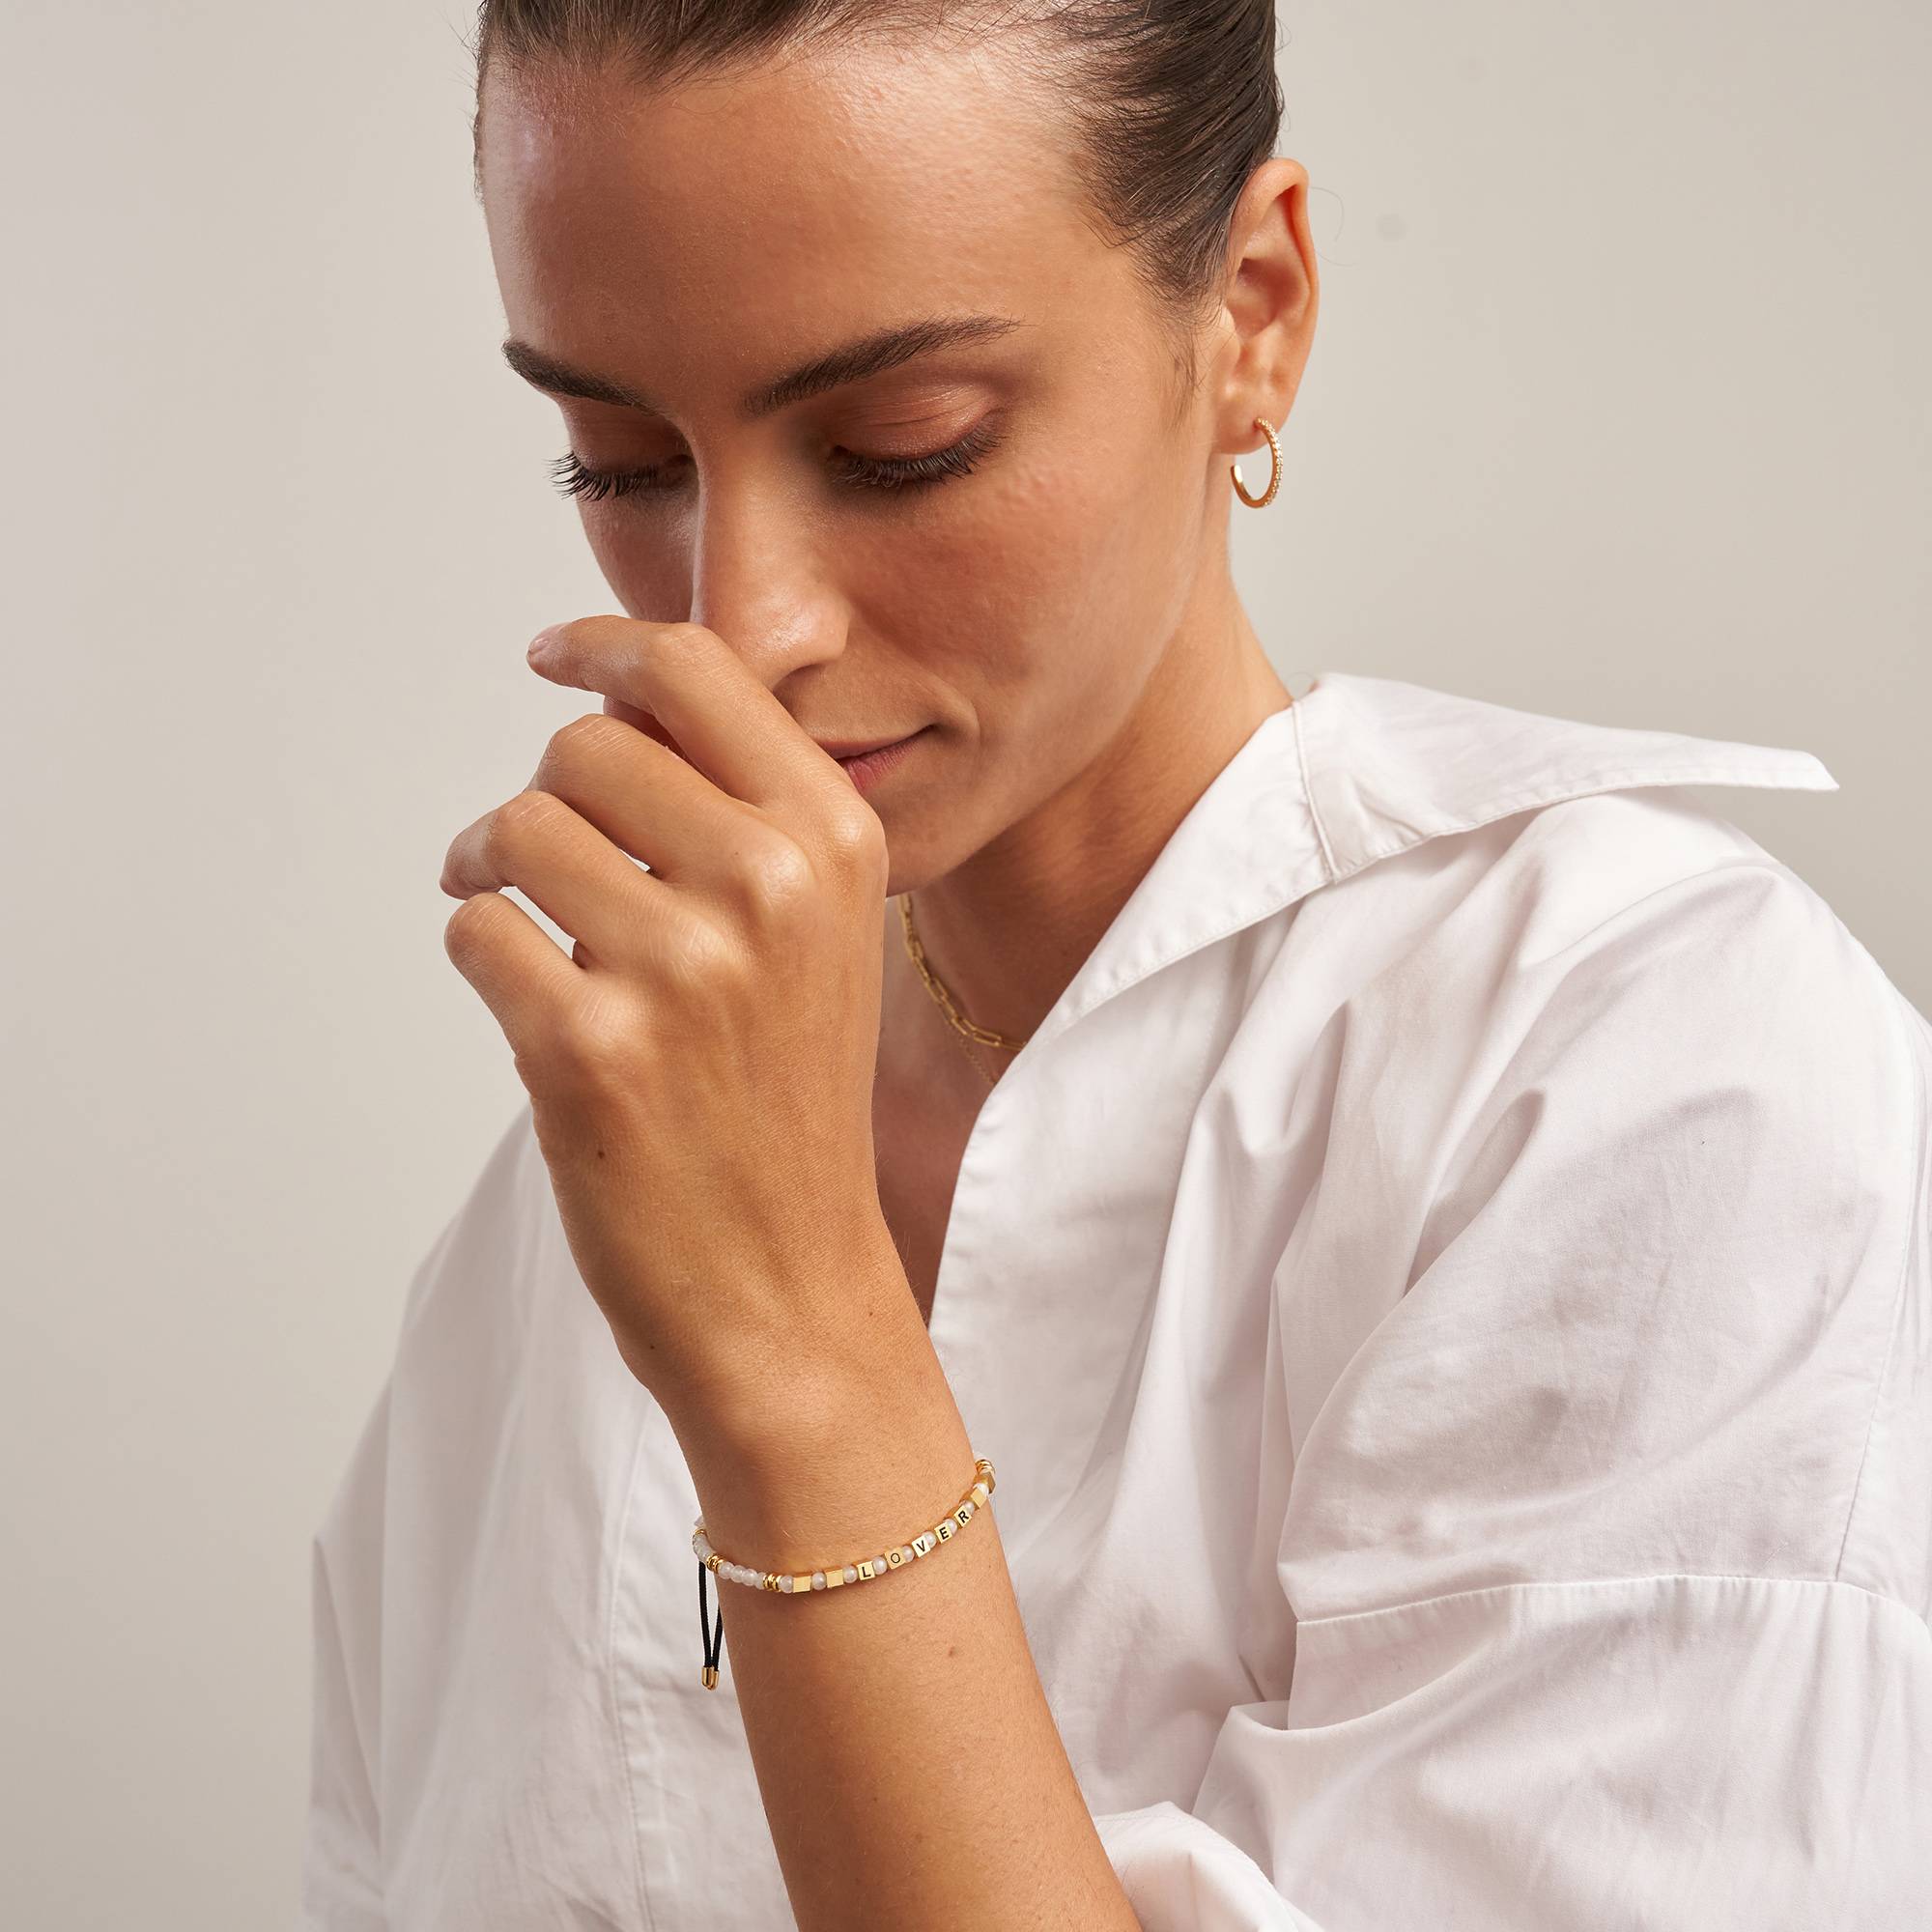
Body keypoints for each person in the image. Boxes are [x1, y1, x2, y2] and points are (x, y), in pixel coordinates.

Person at [300, 3, 1932, 1926]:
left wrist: (802, 1367)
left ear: (1247, 311)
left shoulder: (1657, 1088)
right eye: (618, 461)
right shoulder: (584, 1192)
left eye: (905, 447)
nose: (743, 621)